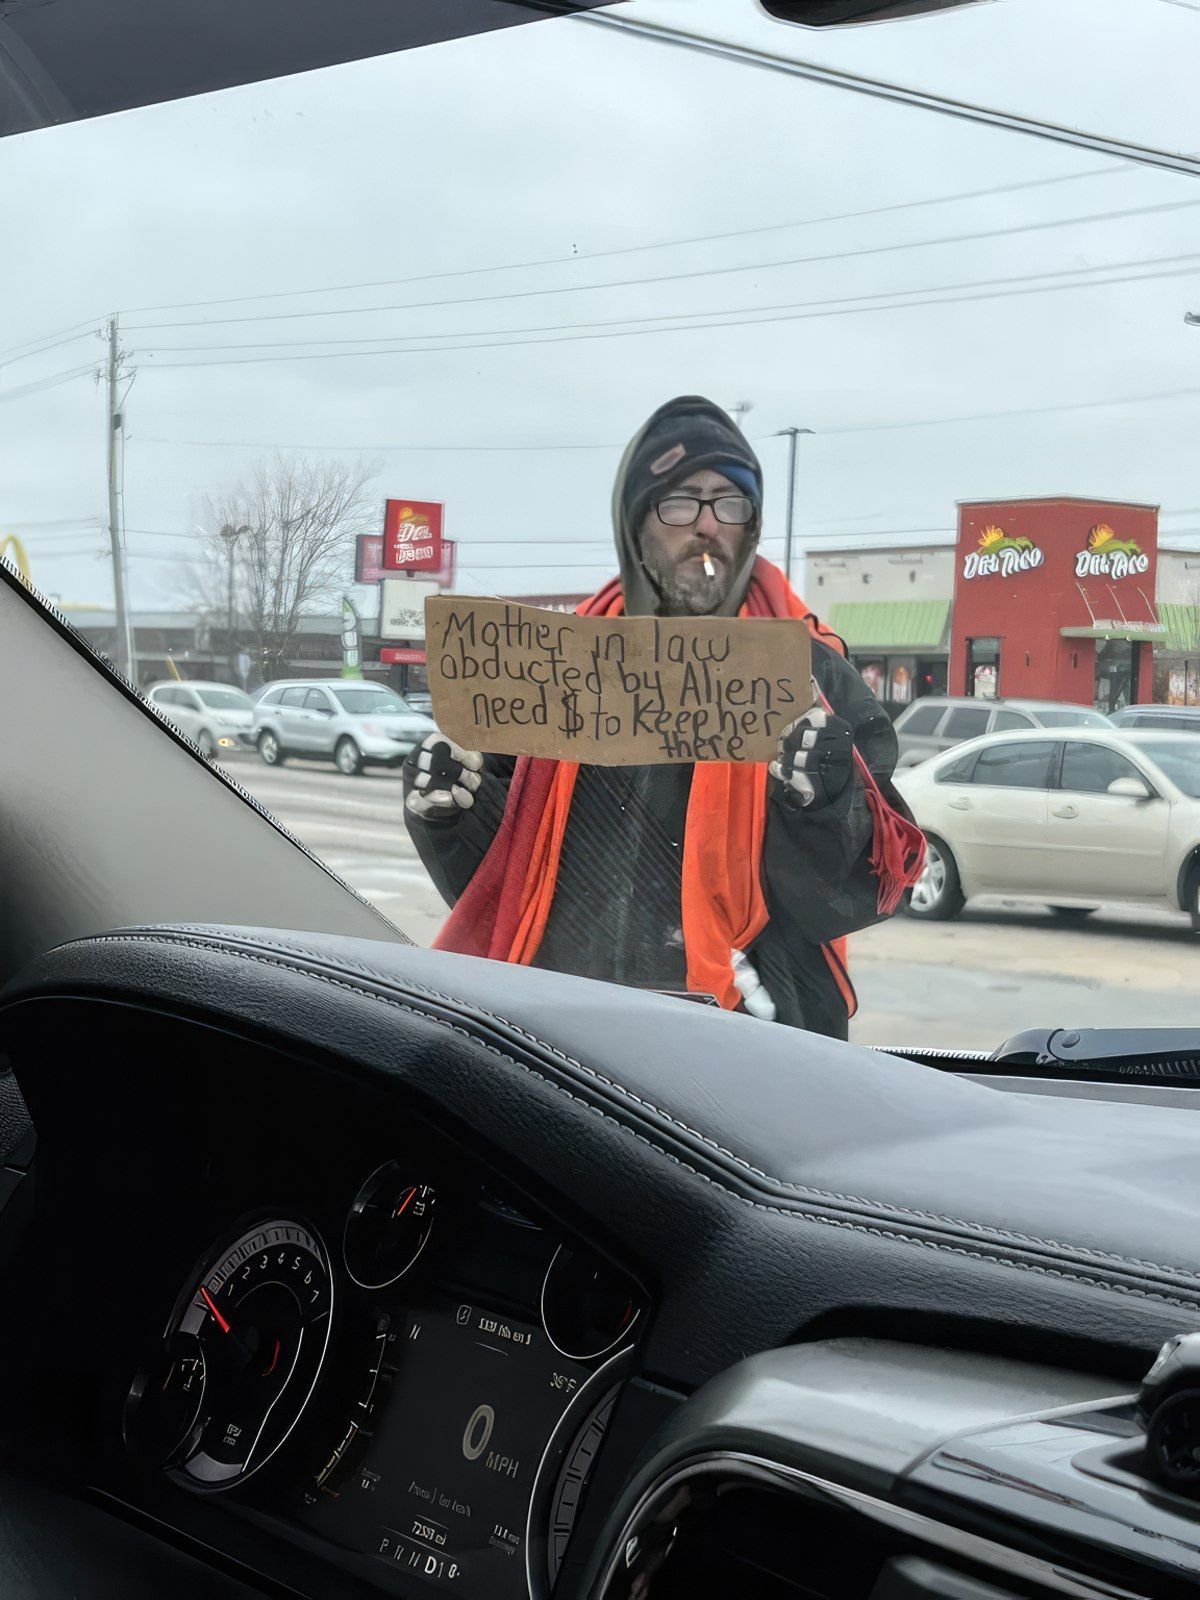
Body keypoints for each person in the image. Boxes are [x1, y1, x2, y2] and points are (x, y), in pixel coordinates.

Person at [403, 396, 923, 1038]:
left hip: (751, 1037)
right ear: (636, 524)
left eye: (728, 503)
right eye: (679, 501)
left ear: (750, 526)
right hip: (567, 1036)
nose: (707, 526)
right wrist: (455, 813)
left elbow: (870, 883)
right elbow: (506, 890)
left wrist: (823, 804)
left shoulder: (810, 675)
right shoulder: (555, 666)